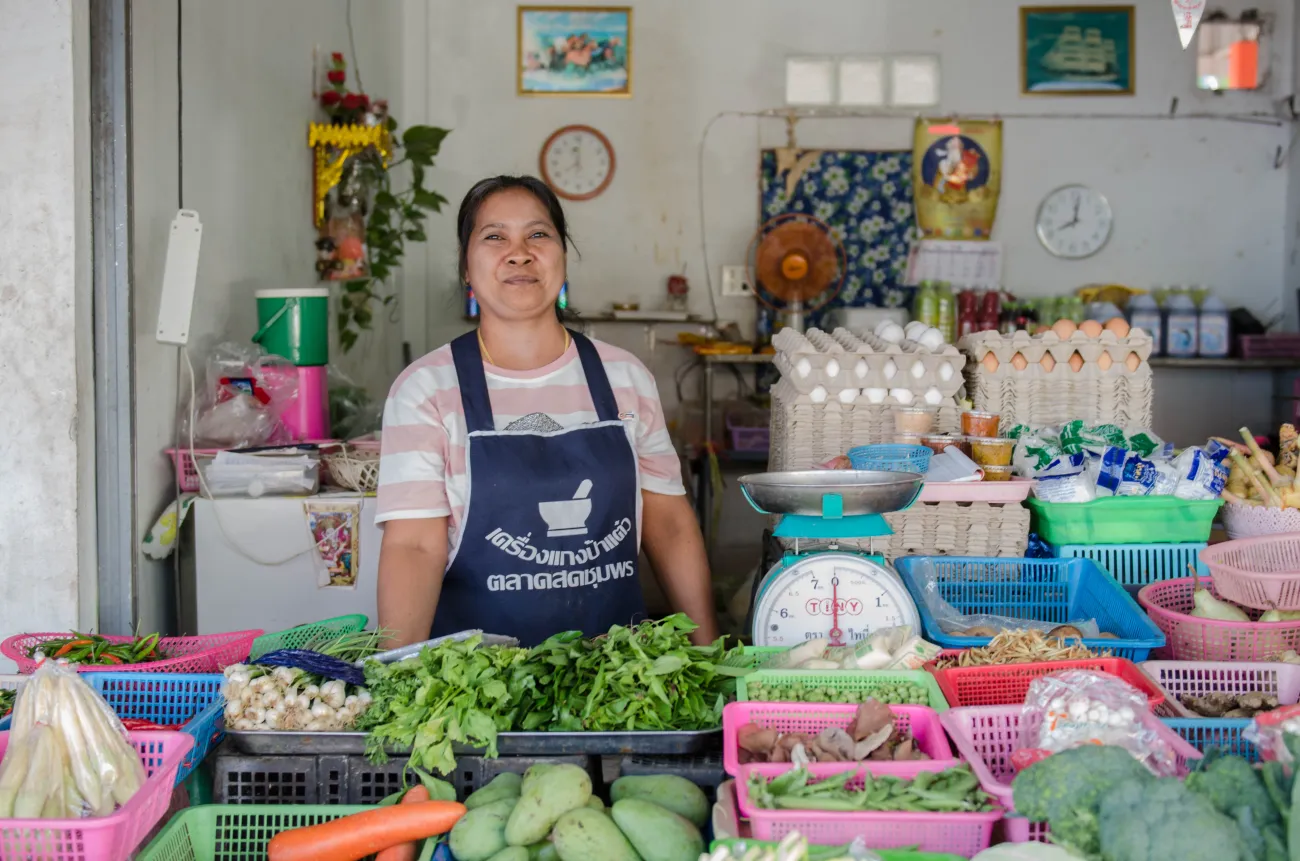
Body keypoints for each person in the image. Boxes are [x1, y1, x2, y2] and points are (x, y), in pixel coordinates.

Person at [375, 175, 720, 648]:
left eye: (538, 234)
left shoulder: (625, 377)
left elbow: (669, 522)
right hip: (475, 690)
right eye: (494, 236)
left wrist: (707, 656)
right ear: (465, 266)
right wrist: (401, 683)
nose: (519, 253)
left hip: (616, 680)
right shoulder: (426, 390)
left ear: (563, 256)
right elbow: (414, 546)